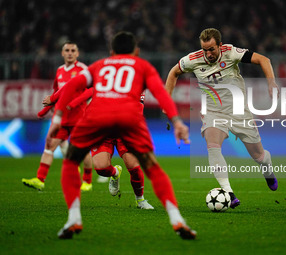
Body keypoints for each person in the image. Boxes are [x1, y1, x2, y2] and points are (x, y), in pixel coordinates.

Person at [46, 31, 196, 240]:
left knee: (71, 162)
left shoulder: (100, 65)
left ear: (112, 51)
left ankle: (74, 218)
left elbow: (72, 86)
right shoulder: (143, 67)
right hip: (129, 121)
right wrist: (177, 120)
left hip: (99, 119)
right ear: (136, 51)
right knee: (146, 165)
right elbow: (161, 93)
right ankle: (176, 218)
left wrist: (56, 119)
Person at [165, 28, 279, 208]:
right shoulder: (193, 60)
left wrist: (271, 82)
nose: (208, 54)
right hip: (213, 112)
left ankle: (267, 167)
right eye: (204, 50)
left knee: (259, 156)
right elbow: (173, 72)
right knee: (212, 146)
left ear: (220, 45)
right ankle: (229, 192)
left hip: (239, 111)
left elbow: (263, 60)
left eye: (211, 49)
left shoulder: (231, 52)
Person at [22, 42, 94, 192]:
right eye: (66, 50)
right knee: (50, 146)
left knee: (82, 150)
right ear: (62, 53)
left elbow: (91, 90)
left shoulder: (83, 70)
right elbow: (55, 94)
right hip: (61, 117)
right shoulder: (60, 70)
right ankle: (40, 180)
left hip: (78, 116)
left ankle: (87, 181)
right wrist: (45, 110)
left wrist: (75, 102)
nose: (69, 53)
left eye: (73, 50)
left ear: (77, 53)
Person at [91, 137, 154, 209]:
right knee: (101, 168)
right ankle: (115, 173)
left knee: (134, 168)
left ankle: (140, 199)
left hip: (123, 131)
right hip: (103, 131)